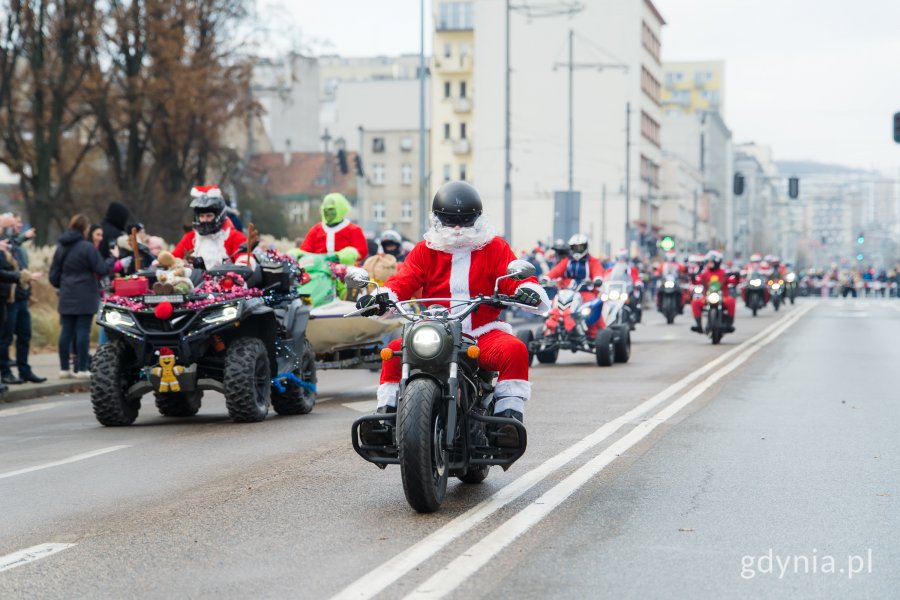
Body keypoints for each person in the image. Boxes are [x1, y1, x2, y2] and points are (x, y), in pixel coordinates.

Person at [356, 181, 549, 448]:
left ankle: (507, 420)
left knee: (515, 350)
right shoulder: (425, 250)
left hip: (483, 333)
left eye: (465, 221)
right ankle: (385, 419)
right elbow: (403, 280)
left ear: (477, 219)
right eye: (449, 221)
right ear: (438, 219)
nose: (457, 228)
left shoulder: (494, 248)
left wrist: (527, 291)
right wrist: (381, 298)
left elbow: (512, 278)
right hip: (434, 331)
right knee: (393, 352)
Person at [49, 214, 113, 379]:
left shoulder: (61, 247)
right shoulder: (87, 247)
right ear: (84, 229)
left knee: (66, 332)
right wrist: (113, 259)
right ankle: (82, 368)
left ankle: (64, 369)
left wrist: (64, 285)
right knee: (82, 331)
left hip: (66, 294)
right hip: (85, 294)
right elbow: (101, 268)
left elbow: (53, 276)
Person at [0, 213, 46, 384]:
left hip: (21, 296)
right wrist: (22, 275)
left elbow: (20, 264)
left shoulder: (13, 245)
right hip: (8, 298)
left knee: (24, 335)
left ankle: (24, 370)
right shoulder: (3, 246)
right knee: (6, 337)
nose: (15, 228)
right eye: (10, 226)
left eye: (16, 225)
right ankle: (5, 372)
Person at [542, 233, 605, 337]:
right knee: (553, 305)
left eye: (580, 247)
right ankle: (549, 330)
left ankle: (597, 333)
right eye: (575, 247)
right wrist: (546, 278)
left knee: (593, 309)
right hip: (566, 292)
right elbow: (556, 270)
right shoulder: (567, 261)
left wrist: (598, 279)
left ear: (585, 247)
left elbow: (597, 271)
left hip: (585, 292)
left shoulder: (593, 261)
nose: (577, 250)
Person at [172, 185, 247, 269]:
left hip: (225, 280)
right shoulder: (191, 237)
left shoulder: (234, 236)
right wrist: (163, 262)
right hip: (195, 281)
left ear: (219, 215)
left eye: (209, 216)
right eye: (202, 216)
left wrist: (242, 264)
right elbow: (174, 257)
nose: (204, 220)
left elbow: (244, 258)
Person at [300, 193, 368, 263]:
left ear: (340, 209)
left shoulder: (353, 230)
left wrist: (344, 255)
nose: (327, 212)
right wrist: (295, 255)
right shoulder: (316, 229)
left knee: (359, 273)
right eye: (325, 209)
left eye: (331, 209)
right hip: (320, 268)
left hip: (346, 267)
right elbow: (304, 250)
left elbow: (361, 251)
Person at [690, 250, 736, 334]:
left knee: (731, 301)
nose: (709, 264)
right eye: (708, 262)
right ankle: (698, 325)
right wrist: (693, 277)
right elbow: (697, 281)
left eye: (711, 262)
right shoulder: (705, 273)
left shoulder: (723, 273)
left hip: (722, 297)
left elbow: (733, 281)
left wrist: (737, 276)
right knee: (695, 302)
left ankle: (729, 324)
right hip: (707, 297)